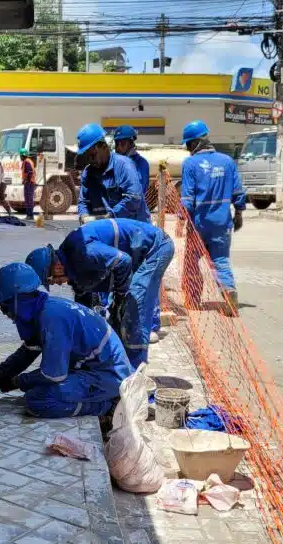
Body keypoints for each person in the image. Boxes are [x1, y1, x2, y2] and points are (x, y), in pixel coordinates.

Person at [0, 263, 132, 418]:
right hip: (94, 368)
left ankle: (107, 406)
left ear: (17, 299)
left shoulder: (52, 318)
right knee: (37, 388)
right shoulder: (43, 308)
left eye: (4, 304)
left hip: (108, 376)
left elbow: (53, 374)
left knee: (38, 400)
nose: (4, 311)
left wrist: (17, 382)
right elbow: (26, 353)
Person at [25, 218, 174, 369]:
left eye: (51, 280)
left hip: (155, 248)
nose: (56, 284)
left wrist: (120, 298)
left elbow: (123, 261)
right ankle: (119, 365)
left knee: (133, 306)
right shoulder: (72, 265)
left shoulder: (84, 251)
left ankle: (134, 371)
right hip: (134, 255)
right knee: (114, 315)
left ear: (56, 267)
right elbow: (84, 303)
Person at [179, 120, 246, 313]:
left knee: (192, 262)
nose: (188, 149)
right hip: (222, 223)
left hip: (199, 223)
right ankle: (228, 290)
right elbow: (237, 191)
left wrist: (183, 220)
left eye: (188, 144)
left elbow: (188, 198)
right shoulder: (227, 161)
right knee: (221, 260)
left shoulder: (190, 164)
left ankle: (192, 300)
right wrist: (239, 213)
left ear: (194, 143)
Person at [112, 124, 162, 343]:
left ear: (131, 143)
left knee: (146, 274)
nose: (119, 147)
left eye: (122, 143)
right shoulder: (113, 162)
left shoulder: (139, 164)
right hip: (122, 225)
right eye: (117, 143)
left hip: (139, 225)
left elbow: (134, 194)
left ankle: (152, 323)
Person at [74, 123, 150, 224]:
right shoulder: (88, 173)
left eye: (92, 155)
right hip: (109, 230)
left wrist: (110, 216)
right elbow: (83, 202)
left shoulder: (124, 166)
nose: (90, 160)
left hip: (133, 230)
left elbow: (134, 198)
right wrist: (84, 216)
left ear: (103, 146)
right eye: (87, 157)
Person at [20, 148, 37, 220]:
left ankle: (30, 215)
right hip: (30, 182)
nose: (20, 157)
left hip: (29, 183)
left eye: (20, 156)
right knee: (29, 199)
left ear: (22, 155)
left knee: (28, 199)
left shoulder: (26, 162)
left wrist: (27, 180)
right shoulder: (28, 161)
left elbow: (30, 172)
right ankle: (29, 215)